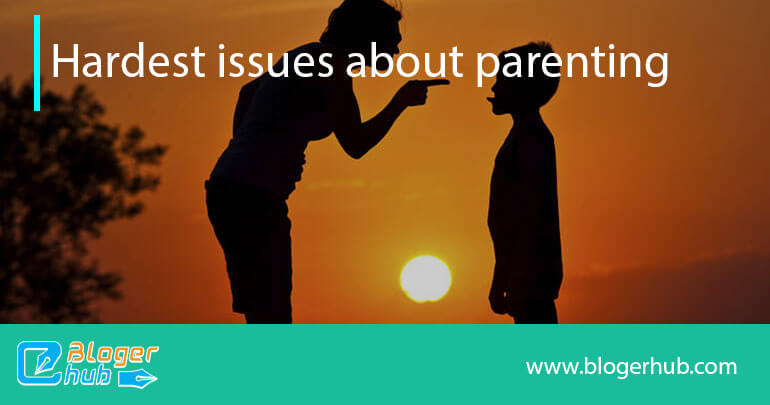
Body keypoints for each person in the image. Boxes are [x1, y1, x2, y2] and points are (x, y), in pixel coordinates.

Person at [206, 0, 449, 323]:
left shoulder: (310, 56)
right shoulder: (332, 66)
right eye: (392, 40)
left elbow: (247, 92)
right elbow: (356, 144)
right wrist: (400, 102)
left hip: (233, 190)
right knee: (271, 313)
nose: (397, 50)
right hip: (252, 198)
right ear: (368, 37)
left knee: (263, 310)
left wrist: (249, 149)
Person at [486, 42, 563, 323]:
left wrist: (507, 277)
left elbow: (527, 216)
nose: (494, 87)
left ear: (521, 87)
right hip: (526, 280)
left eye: (501, 80)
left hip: (531, 281)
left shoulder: (531, 138)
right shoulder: (525, 135)